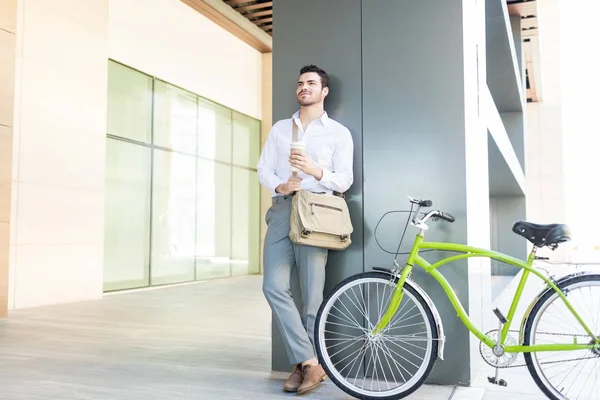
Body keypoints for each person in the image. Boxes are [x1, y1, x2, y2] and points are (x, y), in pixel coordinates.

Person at [257, 65, 354, 395]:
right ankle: (311, 362)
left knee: (312, 296)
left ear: (324, 91)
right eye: (300, 83)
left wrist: (316, 170)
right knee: (273, 285)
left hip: (316, 211)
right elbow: (263, 168)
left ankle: (302, 368)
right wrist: (281, 185)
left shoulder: (338, 133)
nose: (304, 87)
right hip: (284, 208)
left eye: (311, 83)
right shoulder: (282, 129)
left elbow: (345, 178)